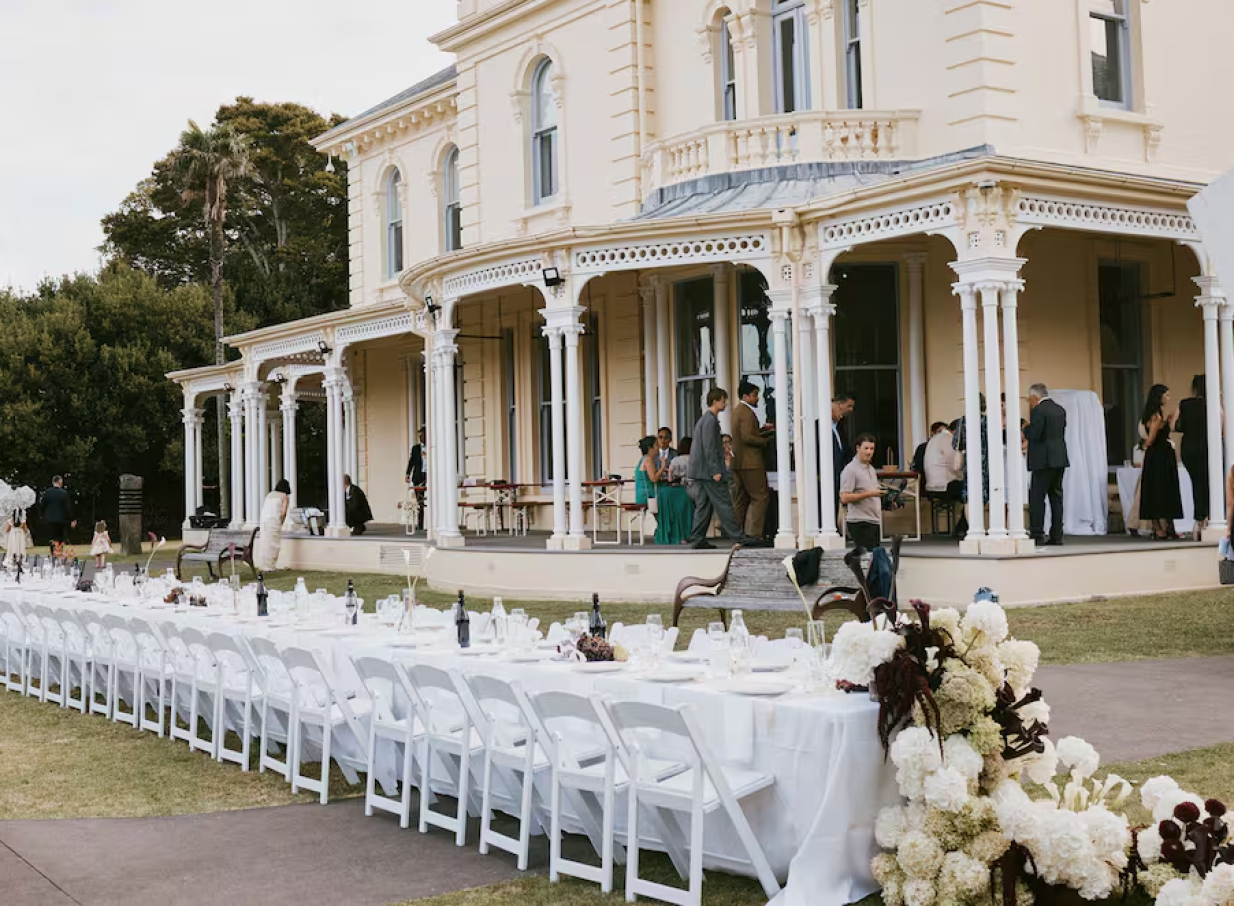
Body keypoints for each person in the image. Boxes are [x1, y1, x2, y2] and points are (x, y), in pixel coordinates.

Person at [687, 388, 760, 550]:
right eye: (723, 400)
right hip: (709, 472)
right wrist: (715, 471)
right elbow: (710, 447)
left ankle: (698, 538)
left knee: (704, 505)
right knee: (724, 503)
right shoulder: (710, 420)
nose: (725, 403)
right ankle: (738, 537)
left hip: (701, 472)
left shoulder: (706, 419)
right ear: (715, 401)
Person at [1024, 383, 1069, 546]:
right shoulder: (1060, 409)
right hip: (1059, 458)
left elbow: (1036, 434)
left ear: (1035, 397)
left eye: (1030, 399)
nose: (1030, 403)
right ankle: (1057, 535)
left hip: (1043, 461)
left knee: (1037, 498)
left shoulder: (1038, 411)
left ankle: (1037, 533)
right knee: (1056, 498)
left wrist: (1025, 429)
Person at [1139, 384, 1183, 540]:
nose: (1168, 398)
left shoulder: (1156, 415)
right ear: (1159, 397)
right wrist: (1145, 445)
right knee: (1160, 488)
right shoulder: (1156, 416)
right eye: (1166, 395)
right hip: (1160, 455)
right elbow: (1151, 439)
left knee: (1158, 489)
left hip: (1159, 455)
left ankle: (1160, 527)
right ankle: (1160, 528)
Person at [730, 380, 772, 538]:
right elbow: (747, 437)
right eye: (755, 395)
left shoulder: (737, 411)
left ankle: (736, 532)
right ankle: (753, 534)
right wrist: (764, 440)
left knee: (741, 499)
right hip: (751, 463)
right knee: (760, 497)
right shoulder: (747, 413)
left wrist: (762, 431)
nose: (757, 399)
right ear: (745, 396)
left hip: (738, 462)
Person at [636, 434, 691, 545]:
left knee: (677, 493)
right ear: (650, 448)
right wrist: (663, 466)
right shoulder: (648, 460)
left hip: (649, 492)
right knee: (682, 494)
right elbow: (654, 478)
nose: (658, 447)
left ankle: (676, 532)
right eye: (656, 445)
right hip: (650, 494)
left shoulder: (644, 460)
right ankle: (677, 533)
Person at [1174, 375, 1209, 534]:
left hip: (1188, 448)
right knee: (1208, 484)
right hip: (1206, 446)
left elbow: (1175, 425)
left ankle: (1198, 521)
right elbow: (1222, 418)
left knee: (1196, 483)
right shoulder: (1211, 403)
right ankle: (1206, 519)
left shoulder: (1185, 404)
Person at [840, 433, 885, 551]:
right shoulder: (850, 470)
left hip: (873, 520)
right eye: (866, 448)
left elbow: (873, 492)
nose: (869, 452)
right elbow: (844, 497)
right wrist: (870, 494)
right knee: (867, 558)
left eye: (872, 449)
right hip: (859, 521)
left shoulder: (871, 469)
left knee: (875, 558)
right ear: (857, 448)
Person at [952, 395, 989, 537]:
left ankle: (973, 528)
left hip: (971, 463)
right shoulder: (988, 420)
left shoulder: (964, 421)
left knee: (969, 497)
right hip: (987, 463)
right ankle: (981, 527)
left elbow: (958, 445)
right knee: (983, 497)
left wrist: (958, 463)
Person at [255, 479, 292, 569]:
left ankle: (264, 564)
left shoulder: (269, 495)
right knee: (274, 544)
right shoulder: (284, 497)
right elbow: (283, 512)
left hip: (264, 521)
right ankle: (270, 566)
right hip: (274, 521)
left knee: (265, 542)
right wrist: (281, 523)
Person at [830, 393, 856, 520]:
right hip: (827, 473)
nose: (850, 410)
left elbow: (845, 449)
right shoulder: (819, 427)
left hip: (840, 471)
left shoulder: (840, 426)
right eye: (848, 406)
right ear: (838, 405)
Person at [923, 421, 963, 496]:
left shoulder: (934, 438)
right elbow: (956, 467)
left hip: (931, 485)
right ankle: (970, 507)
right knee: (975, 484)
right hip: (944, 486)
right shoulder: (950, 439)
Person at [40, 475, 75, 548]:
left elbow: (42, 505)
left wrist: (42, 515)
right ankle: (59, 554)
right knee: (60, 539)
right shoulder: (64, 493)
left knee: (52, 539)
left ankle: (54, 555)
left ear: (53, 482)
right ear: (60, 482)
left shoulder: (47, 492)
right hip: (62, 520)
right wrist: (72, 519)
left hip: (50, 519)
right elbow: (68, 508)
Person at [405, 426, 428, 531]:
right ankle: (420, 524)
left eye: (422, 435)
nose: (421, 438)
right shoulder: (415, 448)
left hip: (430, 476)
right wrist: (407, 474)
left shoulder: (433, 447)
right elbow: (411, 462)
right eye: (420, 436)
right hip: (419, 477)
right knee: (420, 501)